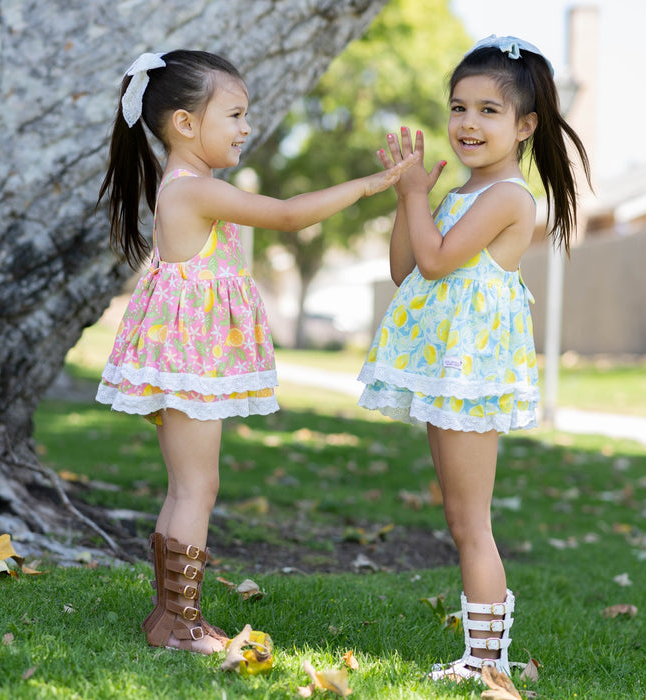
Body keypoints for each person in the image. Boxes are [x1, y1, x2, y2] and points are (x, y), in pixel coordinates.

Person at [96, 49, 416, 655]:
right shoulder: (192, 190)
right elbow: (291, 215)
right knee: (196, 488)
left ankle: (170, 618)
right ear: (187, 125)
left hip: (182, 361)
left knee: (185, 486)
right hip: (188, 364)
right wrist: (372, 184)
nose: (247, 128)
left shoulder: (192, 187)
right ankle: (181, 624)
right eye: (236, 115)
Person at [358, 36, 590, 681]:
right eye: (459, 107)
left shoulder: (509, 198)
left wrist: (411, 197)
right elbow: (410, 270)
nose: (468, 123)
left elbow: (434, 259)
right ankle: (482, 658)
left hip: (468, 381)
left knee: (470, 522)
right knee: (460, 517)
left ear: (524, 126)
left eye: (489, 110)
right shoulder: (465, 194)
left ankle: (488, 663)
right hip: (446, 374)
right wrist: (412, 199)